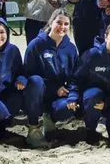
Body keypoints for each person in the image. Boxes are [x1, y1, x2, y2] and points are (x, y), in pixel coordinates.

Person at [67, 22, 110, 146]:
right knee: (93, 95)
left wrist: (108, 103)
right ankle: (90, 129)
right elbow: (76, 78)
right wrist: (73, 96)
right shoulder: (92, 55)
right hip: (92, 96)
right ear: (105, 36)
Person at [22, 9, 79, 144]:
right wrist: (54, 88)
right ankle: (33, 127)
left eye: (66, 24)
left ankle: (50, 119)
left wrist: (72, 95)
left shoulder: (70, 48)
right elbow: (29, 74)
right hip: (37, 92)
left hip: (57, 95)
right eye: (59, 22)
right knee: (35, 81)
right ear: (51, 23)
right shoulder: (36, 44)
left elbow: (73, 76)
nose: (62, 27)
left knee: (69, 106)